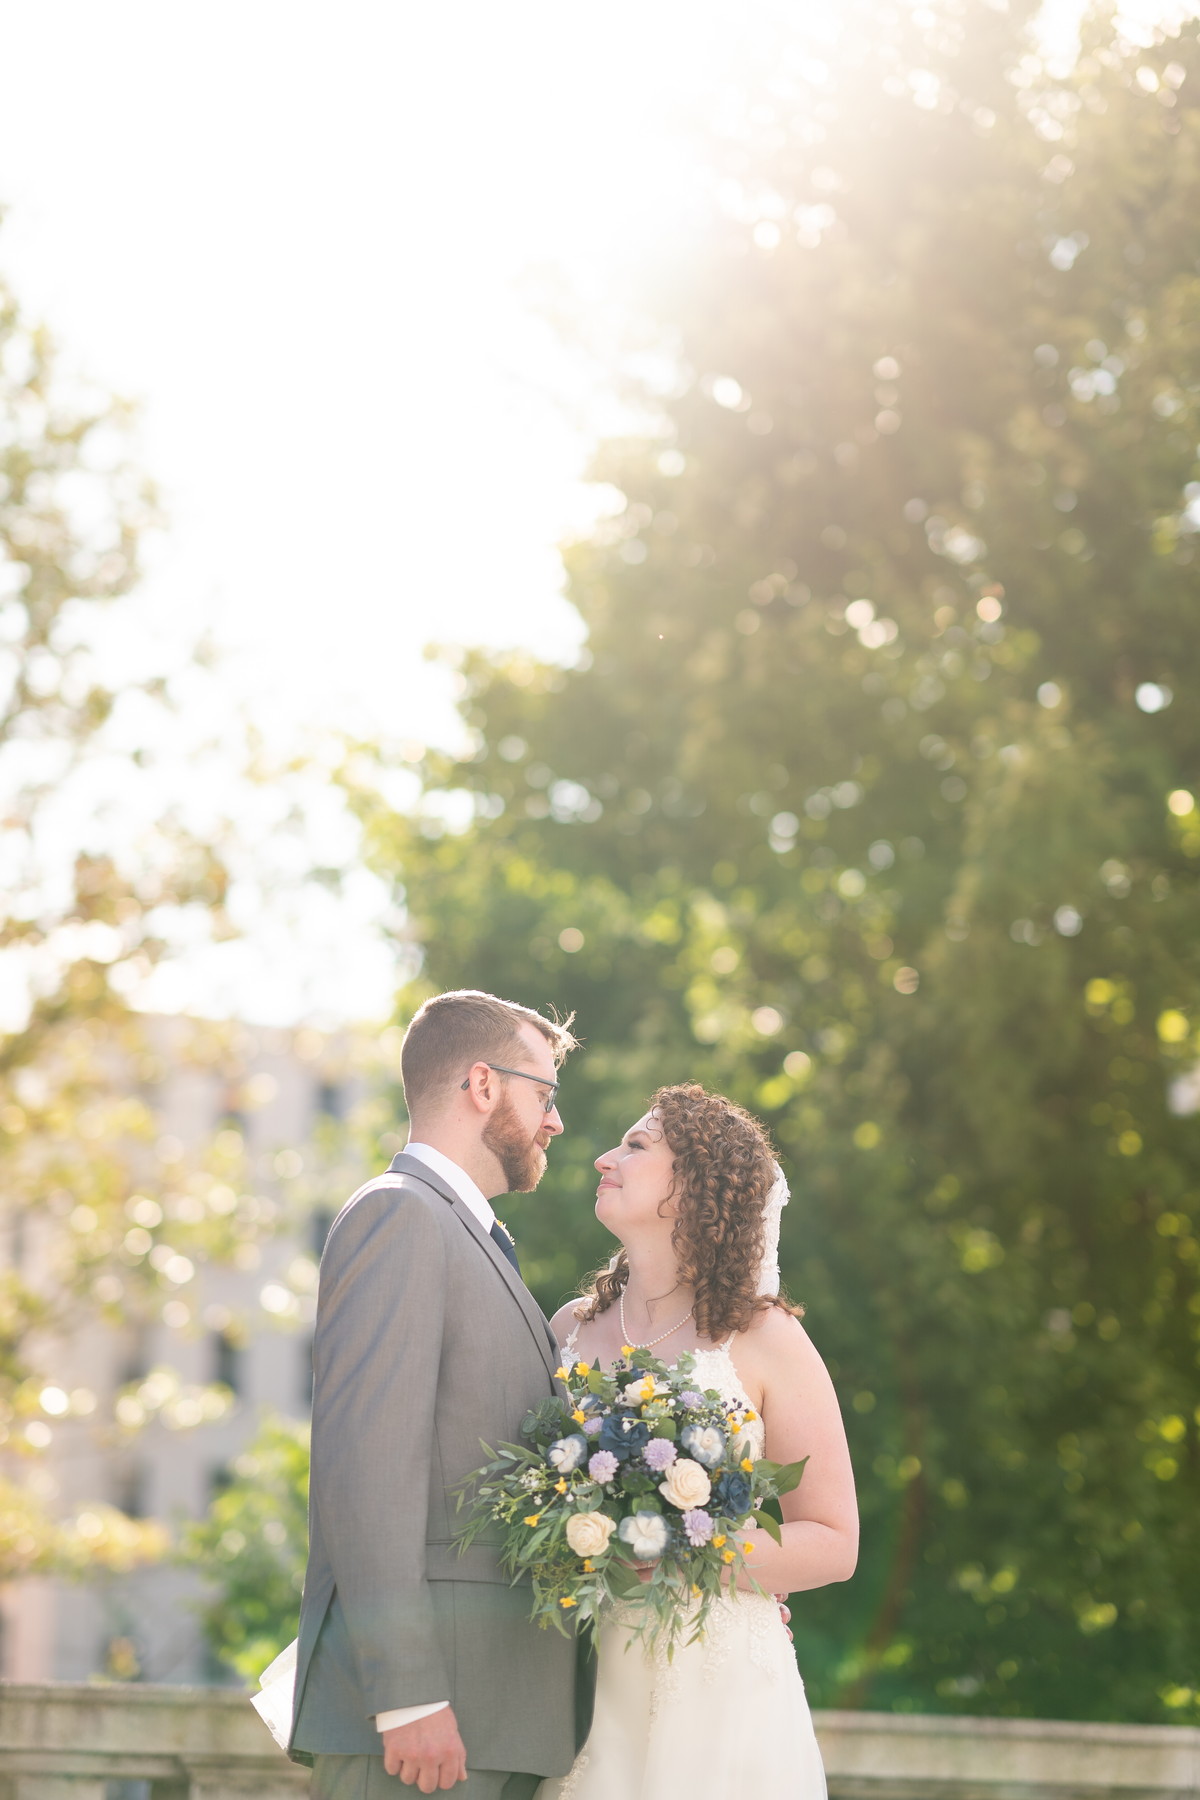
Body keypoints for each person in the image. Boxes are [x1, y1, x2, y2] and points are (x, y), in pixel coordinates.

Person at [286, 989, 594, 1800]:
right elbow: (366, 1470)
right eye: (545, 1093)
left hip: (494, 1713)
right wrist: (408, 1692)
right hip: (428, 1718)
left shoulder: (467, 1235)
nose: (555, 1122)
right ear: (484, 1085)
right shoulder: (400, 1217)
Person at [537, 1083, 858, 1800]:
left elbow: (835, 1540)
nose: (601, 1158)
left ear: (692, 1189)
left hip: (722, 1686)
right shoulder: (567, 1332)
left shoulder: (768, 1338)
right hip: (584, 1682)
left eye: (635, 1146)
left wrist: (688, 1551)